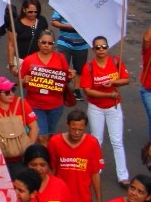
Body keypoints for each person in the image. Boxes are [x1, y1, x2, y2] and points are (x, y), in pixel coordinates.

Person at [48, 110, 104, 202]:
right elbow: (51, 172)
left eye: (80, 129)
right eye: (74, 128)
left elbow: (95, 174)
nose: (77, 132)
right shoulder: (55, 142)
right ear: (68, 125)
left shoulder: (92, 143)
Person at [80, 35, 130, 186]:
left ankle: (123, 176)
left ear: (108, 47)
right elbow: (87, 90)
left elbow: (126, 79)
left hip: (114, 107)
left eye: (104, 47)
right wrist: (108, 93)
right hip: (96, 108)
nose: (101, 50)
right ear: (93, 49)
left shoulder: (115, 61)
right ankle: (96, 171)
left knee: (117, 141)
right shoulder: (89, 67)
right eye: (97, 47)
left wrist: (113, 82)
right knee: (96, 141)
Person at [20, 29, 74, 142]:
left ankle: (48, 156)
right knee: (41, 136)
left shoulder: (60, 58)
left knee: (50, 135)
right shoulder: (29, 60)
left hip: (55, 106)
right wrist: (24, 80)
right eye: (44, 42)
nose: (46, 45)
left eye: (50, 43)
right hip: (35, 105)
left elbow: (64, 79)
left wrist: (69, 76)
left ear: (54, 44)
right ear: (38, 43)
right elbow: (20, 83)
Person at [0, 76, 38, 162]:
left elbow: (34, 127)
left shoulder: (21, 103)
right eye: (6, 92)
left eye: (12, 89)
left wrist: (28, 148)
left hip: (22, 156)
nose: (11, 94)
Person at [52, 11, 88, 101]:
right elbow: (54, 22)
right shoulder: (61, 6)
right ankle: (62, 88)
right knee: (62, 68)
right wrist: (67, 26)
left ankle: (76, 90)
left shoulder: (87, 7)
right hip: (64, 42)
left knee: (79, 69)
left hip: (82, 44)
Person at [7, 0, 49, 73]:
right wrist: (11, 65)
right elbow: (11, 45)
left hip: (39, 60)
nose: (33, 14)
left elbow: (47, 39)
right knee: (24, 82)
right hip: (22, 61)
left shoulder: (42, 20)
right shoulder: (16, 23)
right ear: (24, 10)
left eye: (35, 12)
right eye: (30, 12)